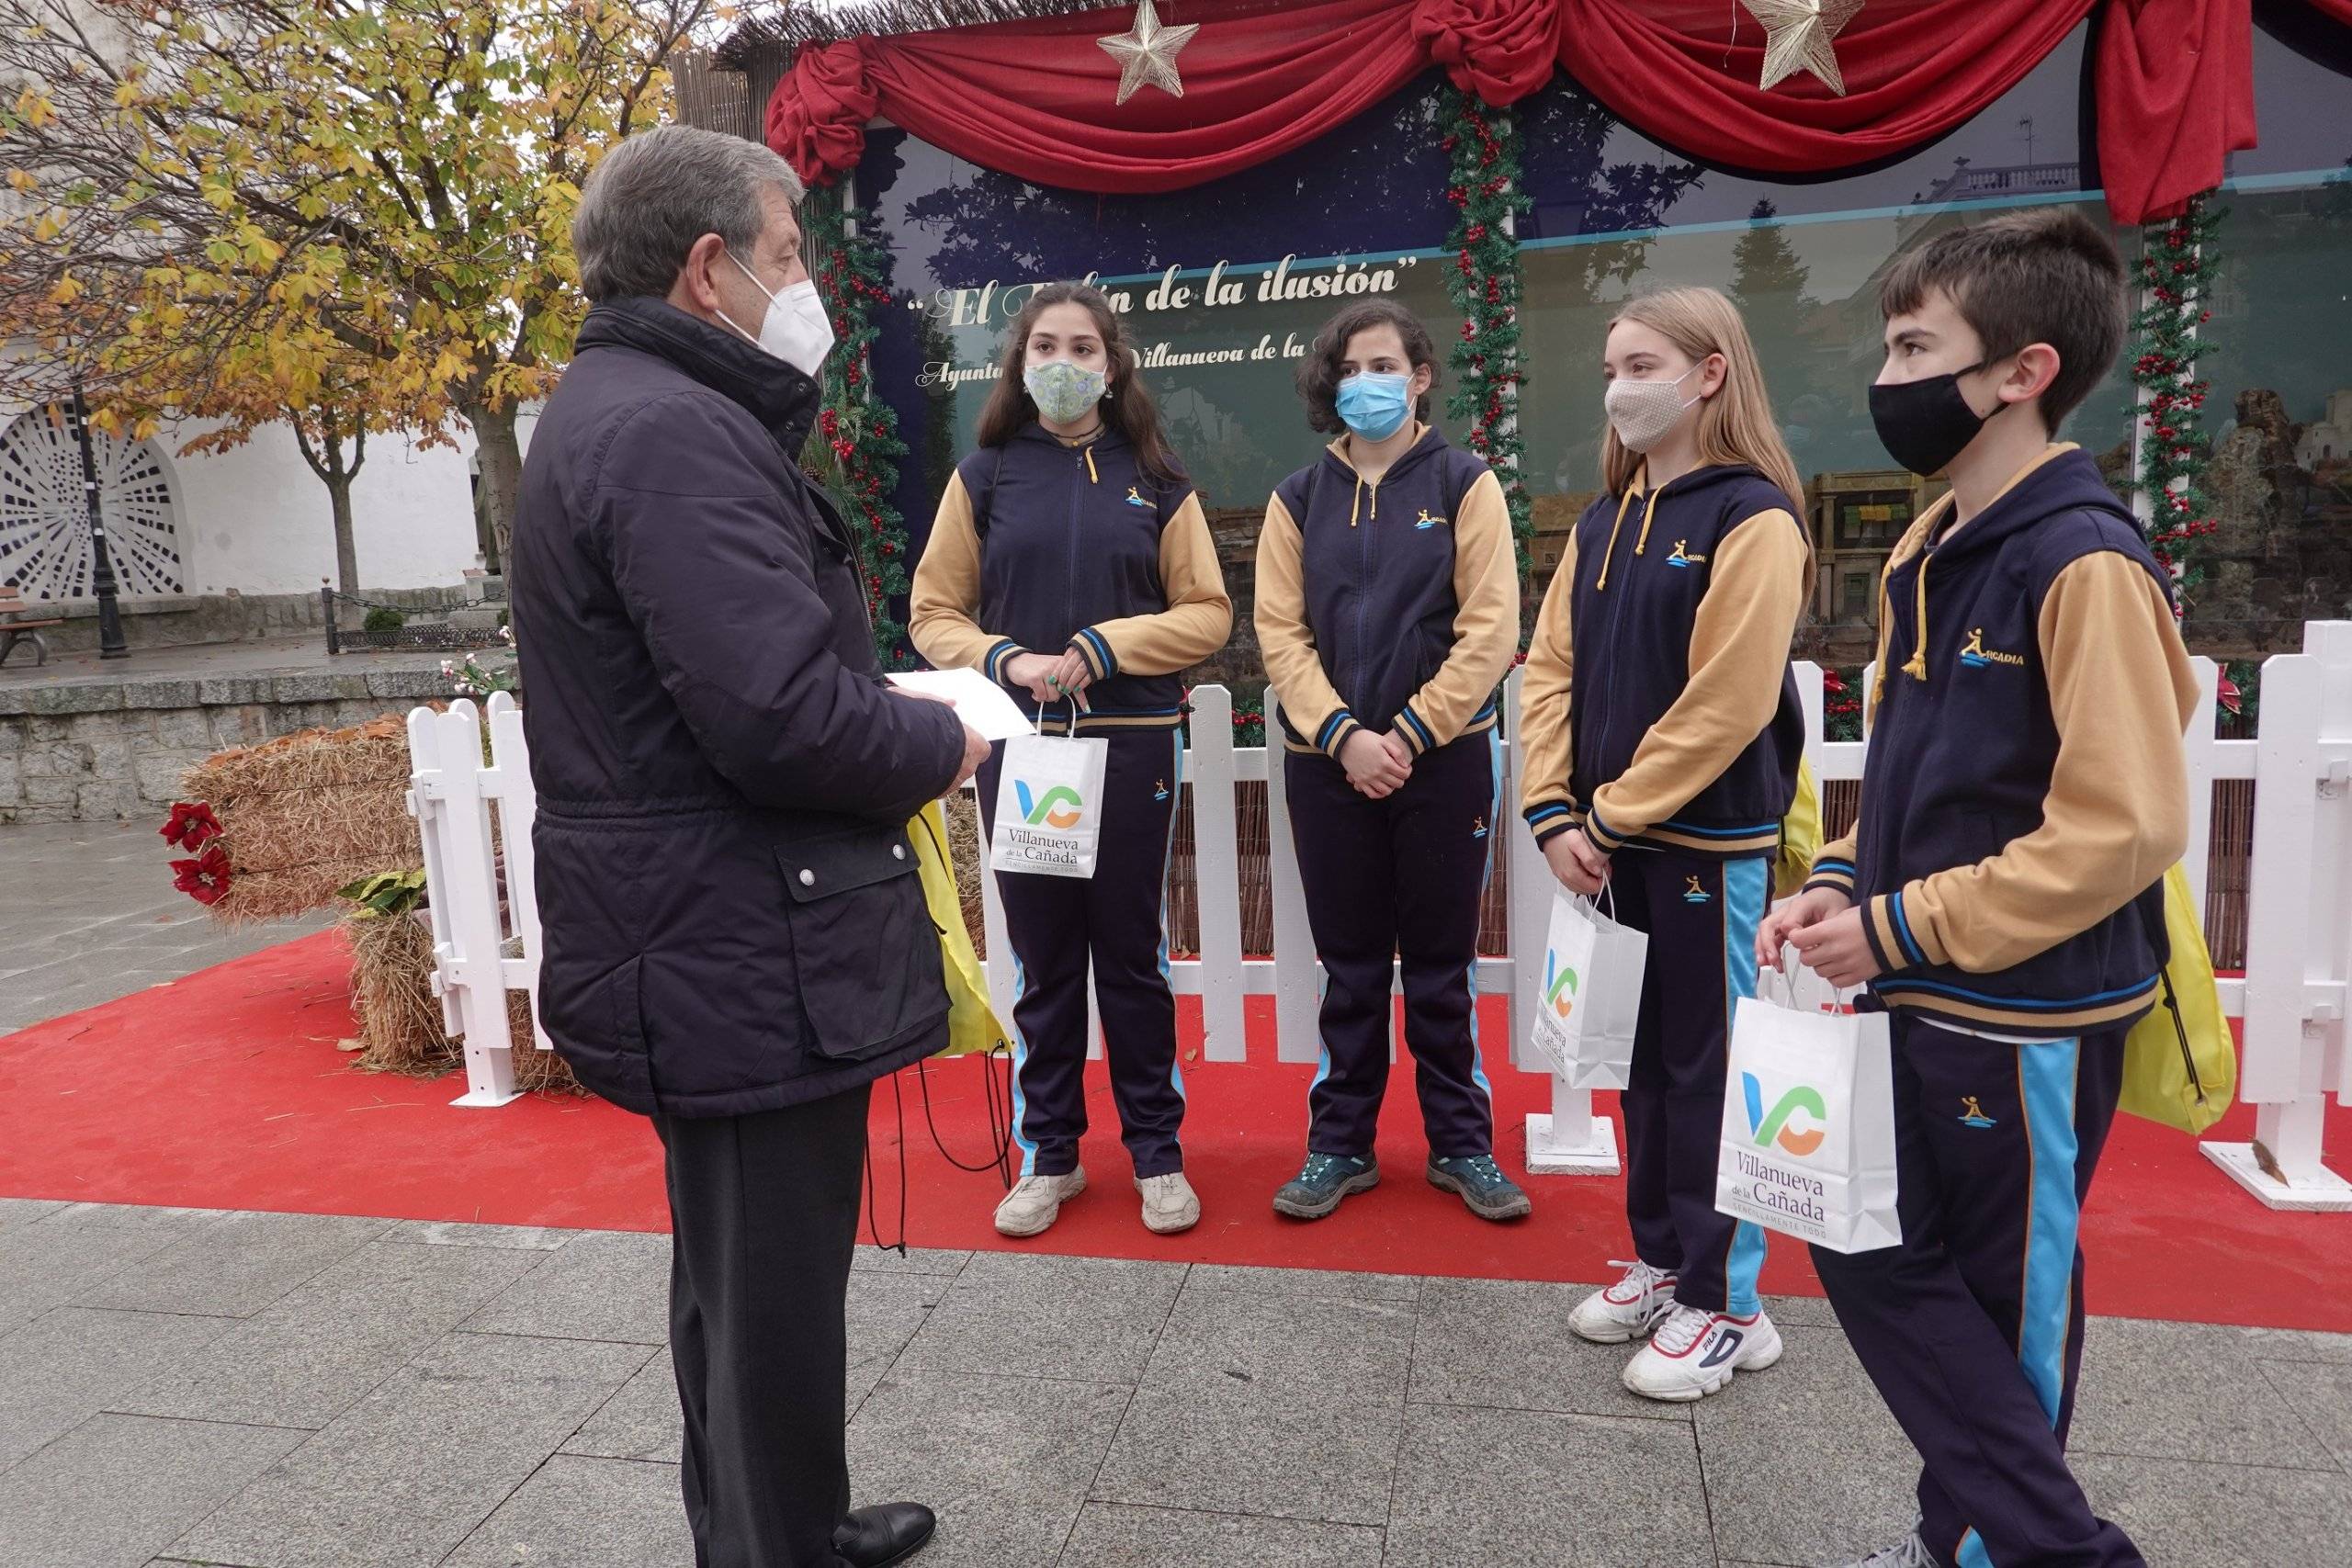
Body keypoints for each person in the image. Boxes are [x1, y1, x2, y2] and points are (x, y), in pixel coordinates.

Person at [509, 125, 987, 1568]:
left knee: (740, 1279)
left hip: (710, 924)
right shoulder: (667, 429)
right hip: (737, 934)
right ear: (707, 268)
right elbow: (779, 718)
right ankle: (775, 1545)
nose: (808, 286)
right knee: (764, 1286)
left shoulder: (633, 406)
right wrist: (942, 741)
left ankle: (786, 1519)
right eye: (788, 255)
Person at [1759, 208, 2194, 1568]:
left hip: (2031, 1022)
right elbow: (1900, 763)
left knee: (2012, 1310)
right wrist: (1839, 873)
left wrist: (1892, 920)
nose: (1884, 376)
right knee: (1857, 1236)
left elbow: (2125, 825)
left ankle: (2012, 1548)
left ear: (2024, 368)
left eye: (1911, 344)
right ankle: (2009, 1539)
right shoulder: (1927, 548)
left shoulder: (2085, 561)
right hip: (1909, 983)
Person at [1518, 286, 1811, 1402]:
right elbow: (1547, 670)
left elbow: (1728, 699)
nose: (1617, 388)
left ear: (1708, 374)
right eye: (1608, 368)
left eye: (1640, 364)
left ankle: (1729, 1301)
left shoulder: (1754, 517)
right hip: (1606, 846)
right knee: (1636, 1067)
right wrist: (1553, 811)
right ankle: (1666, 1261)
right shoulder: (1601, 519)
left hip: (1705, 849)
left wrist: (1611, 813)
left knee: (1709, 1070)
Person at [910, 282, 1232, 1239]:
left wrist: (1104, 647)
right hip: (1024, 751)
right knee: (1047, 964)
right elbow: (934, 614)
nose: (1063, 364)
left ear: (1112, 363)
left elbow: (1208, 613)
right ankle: (1049, 1156)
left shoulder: (1157, 477)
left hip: (1131, 749)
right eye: (1044, 346)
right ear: (1018, 364)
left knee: (1130, 958)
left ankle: (1156, 1155)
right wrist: (1003, 659)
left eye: (1083, 348)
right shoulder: (983, 477)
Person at [1254, 299, 1525, 1223]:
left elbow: (1491, 630)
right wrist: (1344, 737)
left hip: (1441, 763)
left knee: (1442, 967)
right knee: (1353, 966)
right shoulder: (1297, 499)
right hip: (1325, 764)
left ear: (1419, 377)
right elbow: (1279, 635)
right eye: (1349, 368)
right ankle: (1340, 1146)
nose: (1366, 383)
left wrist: (1406, 735)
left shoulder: (1463, 484)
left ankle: (1460, 1145)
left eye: (1385, 365)